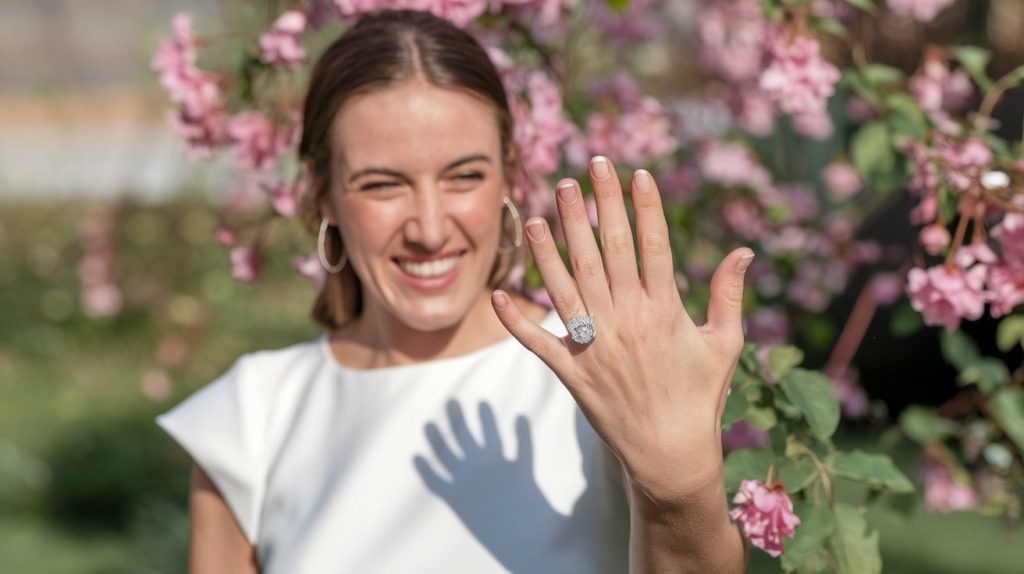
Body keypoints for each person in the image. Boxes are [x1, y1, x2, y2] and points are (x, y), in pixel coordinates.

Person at [156, 9, 751, 573]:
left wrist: (683, 495)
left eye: (464, 176)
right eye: (382, 184)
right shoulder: (250, 416)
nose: (431, 229)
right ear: (322, 194)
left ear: (509, 176)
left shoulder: (605, 374)